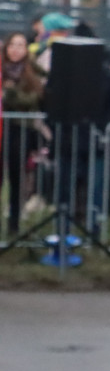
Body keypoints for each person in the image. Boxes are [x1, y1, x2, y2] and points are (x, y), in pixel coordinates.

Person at [1, 31, 45, 234]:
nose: (15, 50)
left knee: (16, 176)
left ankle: (14, 221)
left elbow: (31, 100)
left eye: (20, 45)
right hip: (2, 128)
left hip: (21, 129)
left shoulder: (32, 72)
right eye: (12, 45)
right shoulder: (1, 69)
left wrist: (10, 93)